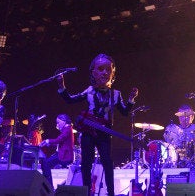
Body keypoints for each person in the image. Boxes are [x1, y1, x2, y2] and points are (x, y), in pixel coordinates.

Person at [56, 53, 138, 196]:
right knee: (86, 163)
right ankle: (87, 192)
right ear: (93, 72)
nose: (105, 72)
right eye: (100, 69)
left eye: (108, 69)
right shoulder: (89, 91)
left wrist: (131, 99)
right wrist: (61, 86)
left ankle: (111, 193)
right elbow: (70, 100)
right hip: (88, 131)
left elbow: (124, 112)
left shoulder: (116, 94)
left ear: (113, 73)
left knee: (107, 162)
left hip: (104, 133)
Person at [40, 114, 74, 189]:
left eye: (58, 122)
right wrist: (49, 144)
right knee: (45, 162)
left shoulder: (68, 128)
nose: (57, 124)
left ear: (64, 121)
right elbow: (61, 142)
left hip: (65, 156)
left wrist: (48, 141)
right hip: (62, 154)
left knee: (46, 163)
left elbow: (59, 139)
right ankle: (48, 185)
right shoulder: (66, 129)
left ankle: (48, 186)